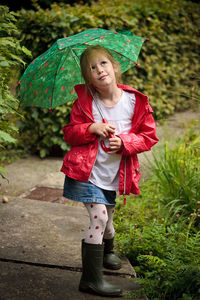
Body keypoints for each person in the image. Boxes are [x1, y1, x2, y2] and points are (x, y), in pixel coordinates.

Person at [61, 45, 159, 297]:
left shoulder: (135, 101)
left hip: (114, 174)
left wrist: (125, 143)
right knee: (100, 218)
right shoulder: (85, 104)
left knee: (109, 219)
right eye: (92, 68)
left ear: (115, 67)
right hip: (87, 173)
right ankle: (91, 280)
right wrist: (90, 128)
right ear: (87, 77)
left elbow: (148, 136)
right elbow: (70, 134)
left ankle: (108, 251)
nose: (99, 70)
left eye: (103, 63)